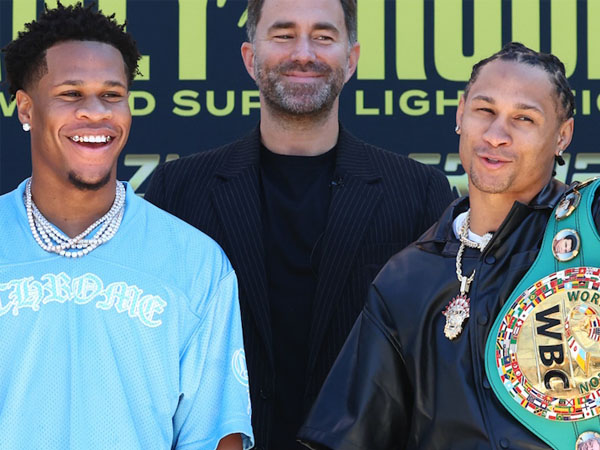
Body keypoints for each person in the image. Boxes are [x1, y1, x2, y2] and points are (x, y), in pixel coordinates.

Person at [144, 0, 454, 448]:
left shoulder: (419, 193)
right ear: (251, 58)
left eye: (324, 37)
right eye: (284, 35)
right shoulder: (178, 191)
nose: (303, 53)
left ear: (351, 61)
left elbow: (441, 364)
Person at [298, 42, 600, 449]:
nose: (496, 135)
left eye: (523, 118)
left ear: (562, 135)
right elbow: (346, 438)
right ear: (460, 115)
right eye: (484, 111)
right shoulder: (407, 278)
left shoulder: (591, 230)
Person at [0, 3, 252, 449]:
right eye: (71, 94)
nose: (96, 112)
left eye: (112, 95)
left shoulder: (195, 262)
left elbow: (216, 437)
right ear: (25, 108)